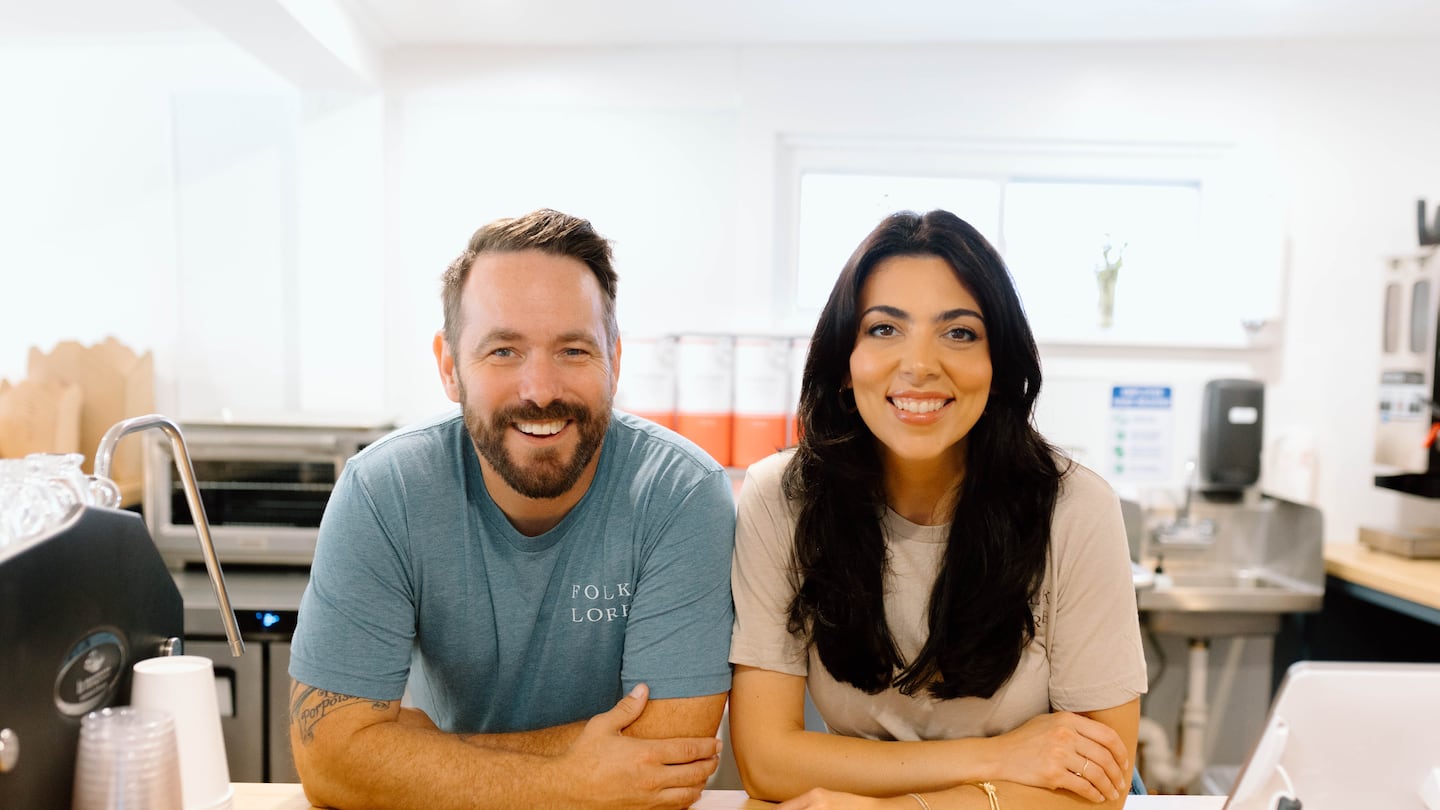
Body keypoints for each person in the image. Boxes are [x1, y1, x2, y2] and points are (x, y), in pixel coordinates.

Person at [288, 209, 736, 810]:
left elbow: (667, 758)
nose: (540, 389)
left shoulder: (679, 493)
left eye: (574, 350)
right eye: (503, 351)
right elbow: (330, 762)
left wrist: (409, 753)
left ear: (616, 361)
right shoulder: (384, 488)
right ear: (449, 366)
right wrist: (569, 782)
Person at [728, 210, 1147, 809]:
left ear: (997, 366)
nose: (920, 364)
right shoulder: (782, 498)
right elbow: (768, 762)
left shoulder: (1075, 508)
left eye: (958, 333)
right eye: (883, 329)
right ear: (845, 364)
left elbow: (1097, 785)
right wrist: (998, 758)